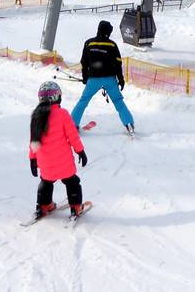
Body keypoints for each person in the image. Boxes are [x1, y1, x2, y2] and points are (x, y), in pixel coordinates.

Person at [28, 81, 88, 220]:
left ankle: (43, 205)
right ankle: (76, 207)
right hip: (64, 162)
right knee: (72, 182)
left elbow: (33, 140)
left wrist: (32, 159)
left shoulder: (36, 116)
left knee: (46, 182)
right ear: (57, 97)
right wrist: (80, 151)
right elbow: (73, 136)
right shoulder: (62, 114)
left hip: (46, 163)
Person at [72, 20, 134, 134]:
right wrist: (120, 79)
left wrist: (85, 77)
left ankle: (72, 125)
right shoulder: (112, 44)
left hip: (93, 79)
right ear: (108, 32)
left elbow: (84, 62)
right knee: (118, 101)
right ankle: (129, 124)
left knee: (83, 101)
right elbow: (118, 63)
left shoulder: (89, 43)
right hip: (109, 79)